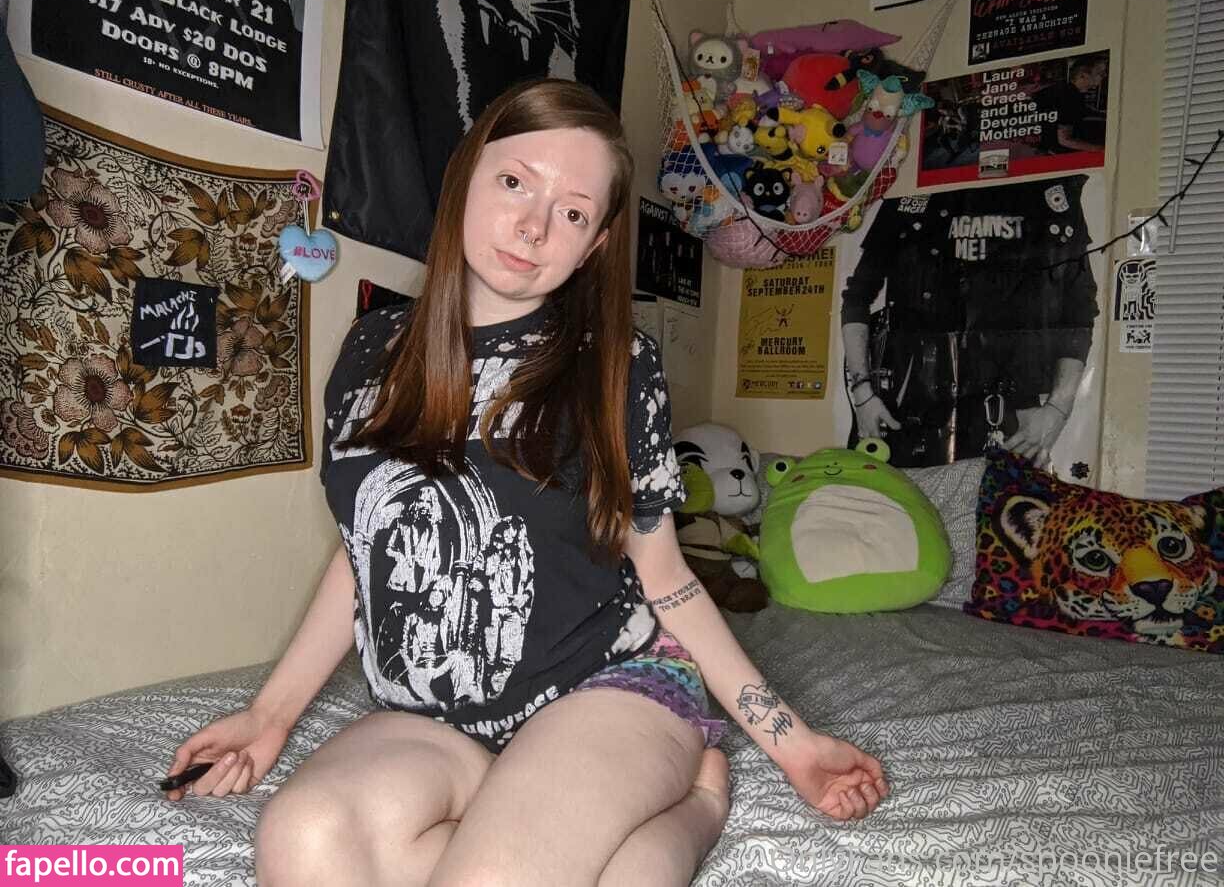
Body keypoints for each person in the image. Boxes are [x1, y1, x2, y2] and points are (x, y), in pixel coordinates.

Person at [161, 78, 889, 887]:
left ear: (596, 243)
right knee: (302, 839)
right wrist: (267, 716)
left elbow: (666, 576)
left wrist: (793, 742)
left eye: (573, 213)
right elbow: (365, 550)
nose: (535, 226)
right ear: (465, 176)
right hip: (436, 717)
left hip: (606, 690)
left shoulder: (617, 367)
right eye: (514, 181)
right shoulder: (371, 349)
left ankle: (696, 805)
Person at [841, 176, 1099, 469]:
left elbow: (1079, 308)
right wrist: (862, 393)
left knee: (1000, 497)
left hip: (1009, 410)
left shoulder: (1044, 190)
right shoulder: (913, 195)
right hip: (909, 408)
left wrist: (1058, 408)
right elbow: (857, 298)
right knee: (897, 497)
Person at [1038, 54, 1108, 154]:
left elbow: (1081, 109)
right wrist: (1102, 149)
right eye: (1100, 73)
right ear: (1083, 76)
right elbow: (1064, 140)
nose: (1104, 75)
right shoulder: (1070, 97)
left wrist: (1102, 114)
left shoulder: (1070, 90)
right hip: (1055, 153)